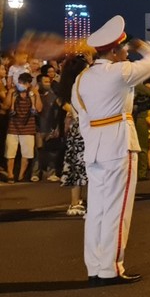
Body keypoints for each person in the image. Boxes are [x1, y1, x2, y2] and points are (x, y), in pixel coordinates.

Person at [76, 15, 150, 285]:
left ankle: (96, 268)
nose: (126, 53)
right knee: (117, 210)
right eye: (124, 49)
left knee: (97, 212)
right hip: (118, 145)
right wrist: (143, 46)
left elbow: (82, 118)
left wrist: (95, 140)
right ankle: (111, 269)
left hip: (95, 148)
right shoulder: (119, 72)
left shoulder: (82, 79)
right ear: (114, 51)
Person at [59, 53, 92, 216]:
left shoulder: (67, 86)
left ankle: (75, 202)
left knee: (75, 166)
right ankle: (90, 202)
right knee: (91, 166)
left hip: (76, 128)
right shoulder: (83, 85)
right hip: (87, 128)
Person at [3, 72, 42, 182]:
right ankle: (10, 174)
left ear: (29, 84)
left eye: (24, 83)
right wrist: (10, 93)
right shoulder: (14, 92)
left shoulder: (32, 93)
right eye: (20, 82)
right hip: (13, 127)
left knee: (27, 153)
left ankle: (20, 176)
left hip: (28, 127)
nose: (22, 84)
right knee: (10, 152)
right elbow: (6, 106)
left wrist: (37, 94)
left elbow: (39, 109)